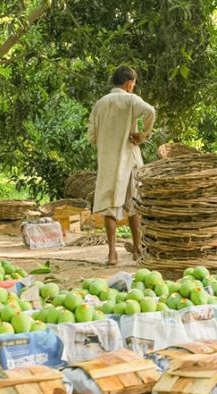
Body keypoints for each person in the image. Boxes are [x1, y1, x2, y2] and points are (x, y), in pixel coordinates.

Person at [88, 66, 156, 265]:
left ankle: (112, 254)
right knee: (134, 203)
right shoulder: (131, 100)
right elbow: (150, 111)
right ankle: (137, 249)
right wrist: (142, 135)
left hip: (108, 160)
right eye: (133, 84)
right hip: (129, 158)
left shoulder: (100, 104)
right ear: (129, 83)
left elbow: (92, 136)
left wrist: (106, 141)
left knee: (109, 205)